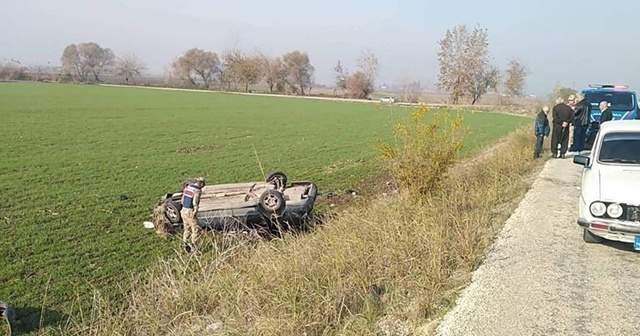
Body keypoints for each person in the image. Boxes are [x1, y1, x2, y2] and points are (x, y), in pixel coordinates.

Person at [180, 177, 205, 253]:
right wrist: (195, 211)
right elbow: (195, 202)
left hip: (183, 210)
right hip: (190, 211)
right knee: (196, 230)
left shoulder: (187, 188)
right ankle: (195, 248)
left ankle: (185, 244)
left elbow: (182, 200)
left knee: (187, 229)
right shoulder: (197, 191)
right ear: (200, 183)